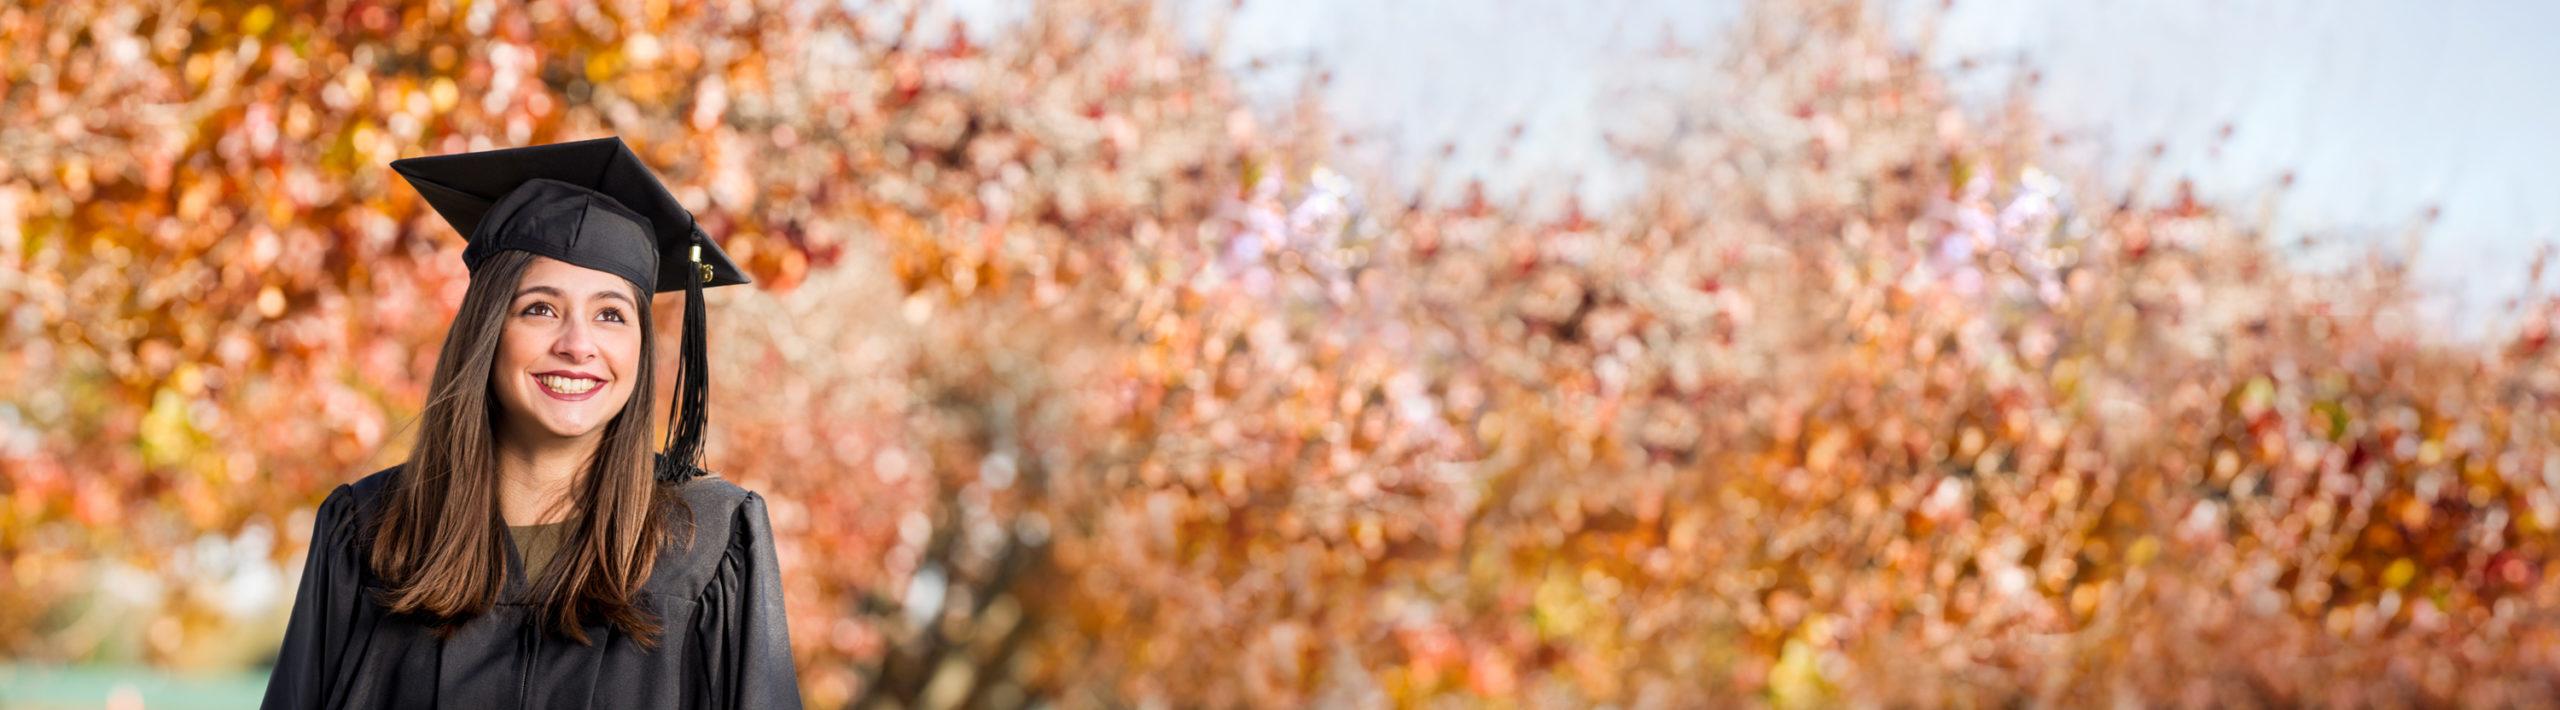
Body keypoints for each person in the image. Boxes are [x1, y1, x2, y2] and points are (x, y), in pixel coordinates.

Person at [260, 137, 802, 709]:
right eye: (539, 308)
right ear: (488, 330)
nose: (578, 345)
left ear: (642, 347)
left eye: (611, 315)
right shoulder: (369, 531)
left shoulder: (710, 540)